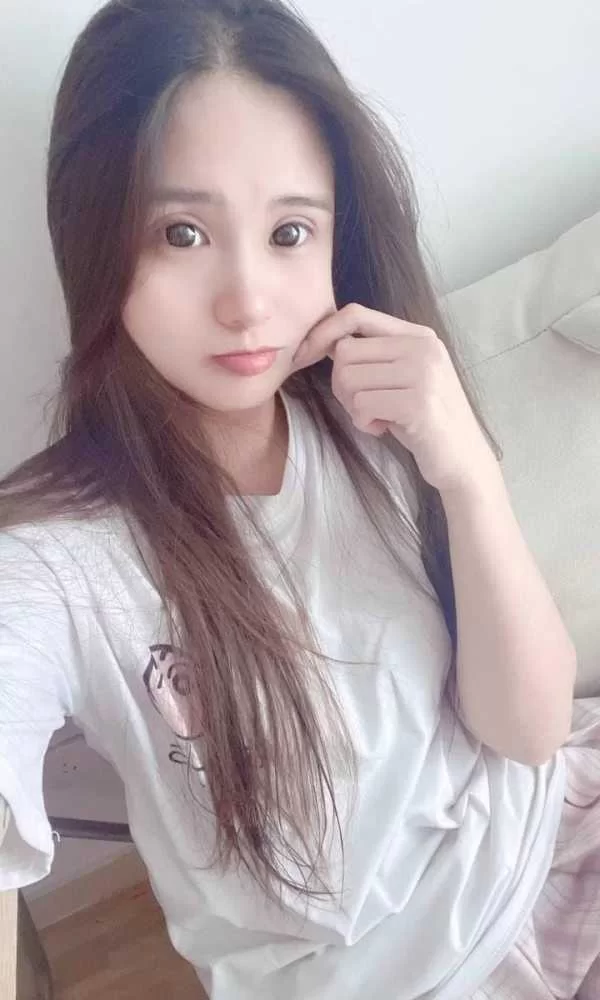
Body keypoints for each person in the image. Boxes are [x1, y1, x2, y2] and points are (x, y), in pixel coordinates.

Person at [0, 1, 597, 997]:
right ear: (95, 235)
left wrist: (465, 471)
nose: (247, 301)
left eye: (289, 231)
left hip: (554, 841)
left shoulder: (375, 417)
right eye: (182, 232)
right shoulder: (60, 556)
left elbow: (527, 734)